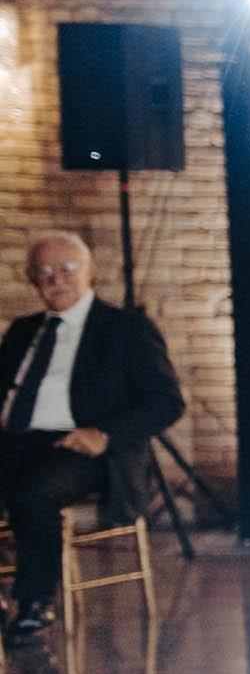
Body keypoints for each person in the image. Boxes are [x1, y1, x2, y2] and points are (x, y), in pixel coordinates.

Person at [0, 233, 184, 647]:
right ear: (32, 279)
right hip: (17, 440)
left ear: (91, 272)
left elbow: (166, 402)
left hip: (88, 449)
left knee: (32, 493)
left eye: (68, 268)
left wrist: (105, 434)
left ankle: (34, 603)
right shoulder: (22, 331)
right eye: (45, 270)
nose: (56, 278)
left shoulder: (125, 329)